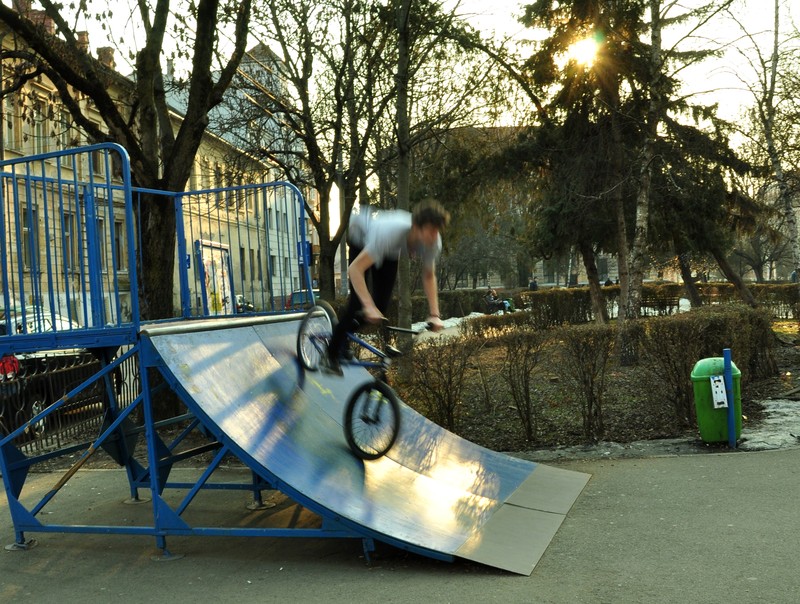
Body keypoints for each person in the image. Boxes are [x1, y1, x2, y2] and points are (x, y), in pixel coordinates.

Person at [323, 199, 450, 375]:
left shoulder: (433, 241)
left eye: (437, 231)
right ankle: (331, 354)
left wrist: (434, 314)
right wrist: (368, 305)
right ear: (416, 227)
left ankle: (345, 335)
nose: (434, 236)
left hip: (389, 250)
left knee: (380, 307)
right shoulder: (390, 232)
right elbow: (355, 269)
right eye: (430, 230)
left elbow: (429, 276)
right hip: (362, 236)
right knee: (358, 305)